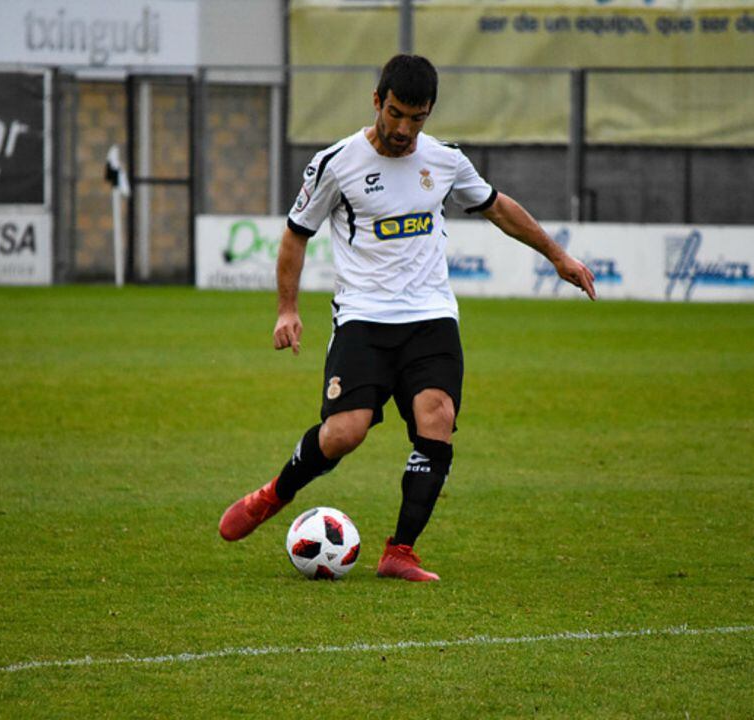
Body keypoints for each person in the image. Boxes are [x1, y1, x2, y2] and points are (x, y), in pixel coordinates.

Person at [219, 54, 596, 581]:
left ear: (429, 113)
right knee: (344, 433)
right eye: (395, 114)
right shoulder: (337, 163)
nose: (403, 129)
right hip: (363, 321)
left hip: (430, 317)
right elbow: (295, 235)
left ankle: (400, 551)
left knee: (436, 419)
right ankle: (274, 494)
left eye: (416, 118)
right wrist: (287, 309)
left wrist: (558, 256)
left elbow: (497, 206)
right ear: (377, 101)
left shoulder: (444, 161)